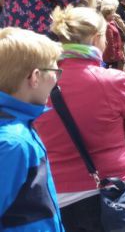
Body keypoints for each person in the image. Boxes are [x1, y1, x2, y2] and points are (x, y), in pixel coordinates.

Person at [36, 6, 125, 230]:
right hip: (113, 187)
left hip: (60, 192)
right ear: (96, 38)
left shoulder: (39, 82)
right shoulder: (114, 80)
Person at [0, 27, 64, 231]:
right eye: (55, 72)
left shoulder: (16, 124)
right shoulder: (13, 143)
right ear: (35, 77)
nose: (56, 80)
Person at [101, 4, 125, 71]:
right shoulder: (107, 25)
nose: (114, 14)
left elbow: (124, 31)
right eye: (112, 13)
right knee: (117, 72)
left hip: (117, 52)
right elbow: (110, 41)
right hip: (113, 55)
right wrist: (112, 55)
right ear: (107, 15)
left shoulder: (112, 22)